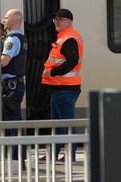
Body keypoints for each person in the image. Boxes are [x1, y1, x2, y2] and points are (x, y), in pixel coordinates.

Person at [41, 8, 84, 163]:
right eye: (55, 19)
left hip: (65, 87)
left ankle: (70, 155)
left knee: (66, 123)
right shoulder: (64, 37)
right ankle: (54, 153)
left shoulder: (69, 38)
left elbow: (72, 61)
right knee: (58, 124)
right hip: (59, 87)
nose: (56, 22)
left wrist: (53, 72)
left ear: (69, 22)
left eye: (61, 19)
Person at [1, 9, 28, 161]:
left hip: (10, 87)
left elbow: (4, 61)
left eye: (6, 17)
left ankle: (15, 157)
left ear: (14, 20)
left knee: (11, 121)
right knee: (15, 119)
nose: (4, 20)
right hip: (17, 84)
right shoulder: (22, 38)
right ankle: (19, 155)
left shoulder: (11, 40)